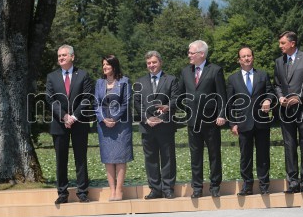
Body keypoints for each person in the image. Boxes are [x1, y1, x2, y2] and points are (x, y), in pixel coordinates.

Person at [177, 40, 227, 198]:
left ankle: (215, 186)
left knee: (214, 154)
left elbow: (222, 96)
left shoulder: (215, 70)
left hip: (211, 121)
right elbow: (179, 95)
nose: (189, 55)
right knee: (195, 155)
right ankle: (197, 187)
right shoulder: (185, 72)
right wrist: (187, 111)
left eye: (191, 53)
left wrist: (221, 114)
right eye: (189, 52)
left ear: (202, 54)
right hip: (193, 122)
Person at [274, 31, 303, 193]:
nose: (280, 46)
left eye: (282, 43)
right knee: (289, 146)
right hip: (286, 111)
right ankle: (293, 183)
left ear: (292, 43)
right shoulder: (279, 62)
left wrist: (299, 97)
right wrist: (280, 97)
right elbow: (277, 84)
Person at [46, 44, 93, 204]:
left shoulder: (83, 75)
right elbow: (50, 99)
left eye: (64, 55)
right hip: (59, 124)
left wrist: (73, 117)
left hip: (79, 123)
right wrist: (64, 116)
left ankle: (82, 192)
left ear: (72, 57)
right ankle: (62, 193)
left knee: (81, 158)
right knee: (61, 159)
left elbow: (87, 98)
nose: (61, 58)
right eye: (59, 56)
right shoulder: (52, 77)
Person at [226, 47, 274, 195]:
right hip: (242, 123)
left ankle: (264, 186)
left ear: (253, 57)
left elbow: (271, 93)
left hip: (261, 122)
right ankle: (247, 186)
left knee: (263, 155)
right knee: (245, 156)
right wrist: (232, 123)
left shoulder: (263, 75)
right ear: (239, 60)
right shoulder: (232, 79)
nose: (246, 58)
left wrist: (268, 100)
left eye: (249, 56)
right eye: (243, 56)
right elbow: (229, 103)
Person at [133, 51, 179, 199]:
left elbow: (175, 100)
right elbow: (137, 103)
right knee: (150, 159)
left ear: (160, 62)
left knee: (168, 157)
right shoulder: (139, 82)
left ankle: (168, 189)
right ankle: (155, 189)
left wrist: (162, 117)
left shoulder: (171, 80)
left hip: (165, 125)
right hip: (147, 126)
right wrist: (147, 119)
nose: (151, 65)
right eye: (149, 63)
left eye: (154, 62)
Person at [94, 55, 133, 201]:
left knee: (121, 158)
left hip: (121, 125)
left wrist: (115, 118)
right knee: (108, 158)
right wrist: (104, 119)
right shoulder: (99, 83)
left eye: (108, 65)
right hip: (104, 125)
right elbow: (96, 103)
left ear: (114, 66)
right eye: (103, 64)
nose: (105, 67)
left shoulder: (124, 81)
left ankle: (119, 190)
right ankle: (111, 190)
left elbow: (126, 103)